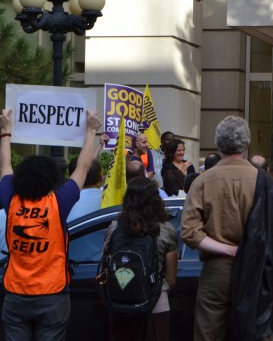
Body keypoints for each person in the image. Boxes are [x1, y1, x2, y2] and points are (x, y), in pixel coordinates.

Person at [182, 115, 273, 341]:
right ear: (247, 145)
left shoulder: (202, 181)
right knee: (258, 333)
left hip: (217, 271)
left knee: (208, 336)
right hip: (256, 270)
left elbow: (190, 233)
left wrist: (227, 250)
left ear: (218, 145)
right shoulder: (264, 181)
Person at [0, 108, 101, 340]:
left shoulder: (11, 200)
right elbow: (83, 168)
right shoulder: (59, 201)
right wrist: (91, 130)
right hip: (53, 296)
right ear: (50, 179)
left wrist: (6, 132)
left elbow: (5, 167)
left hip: (16, 294)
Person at [102, 177, 178, 341]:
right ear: (156, 200)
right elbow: (171, 279)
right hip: (157, 303)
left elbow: (105, 265)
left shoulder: (115, 228)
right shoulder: (166, 230)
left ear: (127, 200)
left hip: (120, 302)